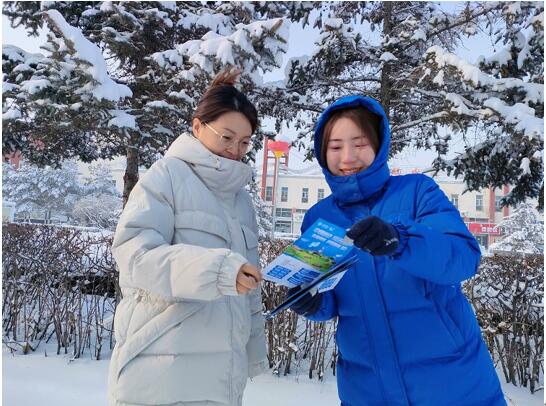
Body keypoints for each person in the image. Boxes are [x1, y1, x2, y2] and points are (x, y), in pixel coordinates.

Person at [288, 95, 506, 405]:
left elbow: (462, 259)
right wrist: (312, 301)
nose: (347, 157)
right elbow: (332, 297)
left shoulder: (418, 191)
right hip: (367, 390)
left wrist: (401, 240)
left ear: (378, 146)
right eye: (335, 147)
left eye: (359, 144)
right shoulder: (318, 217)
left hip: (453, 385)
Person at [108, 68, 267, 406]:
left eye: (244, 142)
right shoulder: (166, 177)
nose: (234, 149)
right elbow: (135, 256)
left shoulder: (241, 201)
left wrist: (252, 352)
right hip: (162, 368)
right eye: (226, 137)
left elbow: (247, 293)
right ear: (197, 127)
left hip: (223, 376)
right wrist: (219, 271)